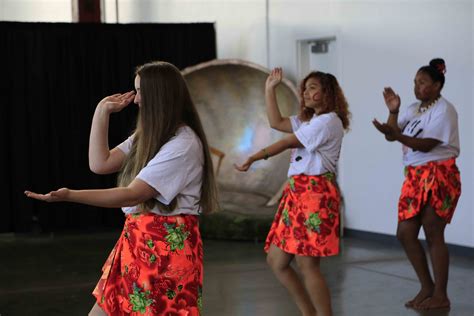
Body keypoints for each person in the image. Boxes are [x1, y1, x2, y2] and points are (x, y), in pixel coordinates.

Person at [25, 61, 218, 315]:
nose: (136, 100)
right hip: (137, 242)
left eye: (140, 91)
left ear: (158, 95)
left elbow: (132, 193)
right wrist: (101, 112)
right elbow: (100, 163)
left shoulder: (183, 145)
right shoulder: (148, 136)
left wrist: (71, 195)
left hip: (165, 253)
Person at [235, 68, 350, 316]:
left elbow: (288, 141)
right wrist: (270, 89)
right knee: (277, 261)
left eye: (312, 88)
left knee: (307, 264)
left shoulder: (329, 121)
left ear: (327, 93)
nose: (306, 93)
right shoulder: (310, 121)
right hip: (297, 194)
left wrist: (253, 157)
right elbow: (276, 122)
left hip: (315, 194)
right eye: (305, 88)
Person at [373, 58, 461, 310]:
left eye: (422, 82)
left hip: (439, 173)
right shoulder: (413, 109)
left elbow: (428, 144)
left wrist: (397, 134)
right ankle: (427, 286)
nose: (416, 86)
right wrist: (393, 112)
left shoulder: (445, 110)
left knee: (434, 232)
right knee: (405, 233)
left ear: (437, 85)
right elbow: (392, 136)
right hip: (414, 176)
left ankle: (441, 295)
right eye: (415, 82)